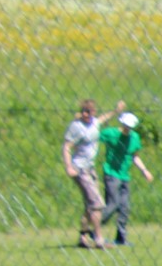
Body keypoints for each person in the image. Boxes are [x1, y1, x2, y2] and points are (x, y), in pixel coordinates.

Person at [63, 97, 123, 248]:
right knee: (97, 204)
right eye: (83, 111)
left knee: (89, 206)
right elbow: (67, 147)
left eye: (89, 111)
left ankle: (83, 238)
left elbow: (103, 118)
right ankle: (98, 239)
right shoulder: (76, 126)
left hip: (90, 169)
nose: (85, 114)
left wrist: (116, 111)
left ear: (94, 112)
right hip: (79, 169)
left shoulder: (95, 123)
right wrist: (69, 166)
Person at [97, 112, 154, 246]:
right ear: (121, 123)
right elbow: (94, 135)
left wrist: (144, 170)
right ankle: (95, 229)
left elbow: (135, 156)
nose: (127, 129)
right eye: (126, 126)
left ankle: (121, 237)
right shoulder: (111, 133)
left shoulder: (134, 137)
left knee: (124, 207)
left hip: (124, 176)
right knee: (112, 204)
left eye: (130, 127)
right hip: (111, 173)